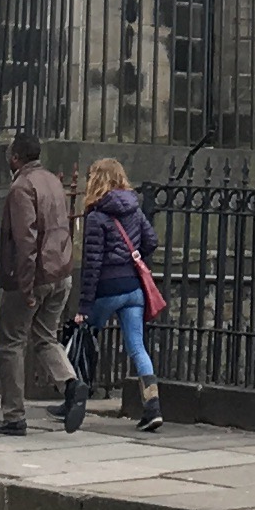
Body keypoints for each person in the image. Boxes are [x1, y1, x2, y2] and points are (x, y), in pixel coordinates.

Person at [0, 127, 83, 437]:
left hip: (35, 275)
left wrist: (26, 286)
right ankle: (71, 383)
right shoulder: (53, 181)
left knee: (10, 343)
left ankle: (14, 416)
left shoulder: (22, 187)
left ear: (16, 157)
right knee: (45, 337)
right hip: (61, 272)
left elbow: (25, 240)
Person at [70, 156, 166, 433]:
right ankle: (153, 408)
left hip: (107, 289)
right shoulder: (134, 209)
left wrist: (84, 306)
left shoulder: (96, 215)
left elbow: (92, 265)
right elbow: (151, 241)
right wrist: (133, 258)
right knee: (137, 346)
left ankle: (75, 400)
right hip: (133, 287)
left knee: (84, 338)